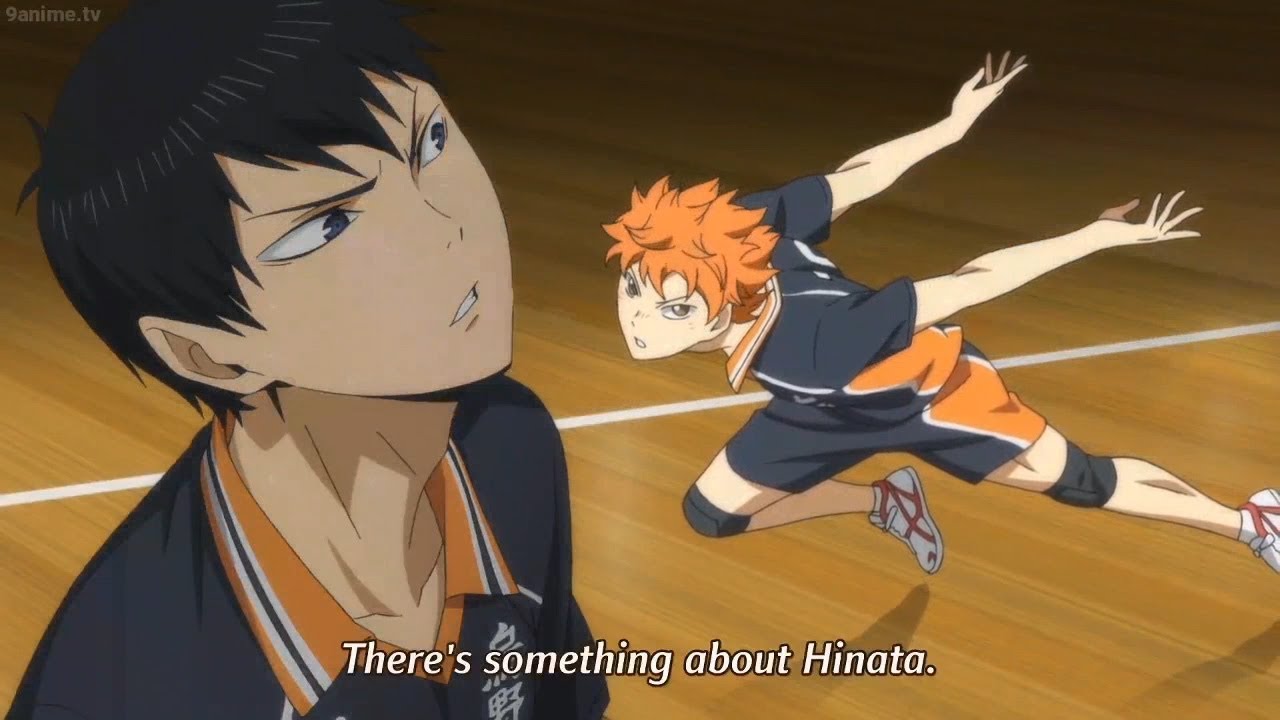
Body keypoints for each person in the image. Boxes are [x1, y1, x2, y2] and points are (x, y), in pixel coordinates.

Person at [8, 1, 608, 718]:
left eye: (430, 141)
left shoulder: (513, 443)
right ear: (207, 352)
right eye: (328, 223)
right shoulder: (119, 684)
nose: (446, 228)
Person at [600, 54, 1279, 576]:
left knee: (1083, 481)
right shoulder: (739, 225)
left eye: (674, 307)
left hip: (928, 394)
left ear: (730, 301)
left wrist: (1092, 236)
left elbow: (971, 282)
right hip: (819, 411)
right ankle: (886, 501)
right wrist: (951, 126)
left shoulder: (819, 342)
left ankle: (1251, 522)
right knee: (713, 514)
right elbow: (859, 175)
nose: (639, 319)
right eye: (635, 286)